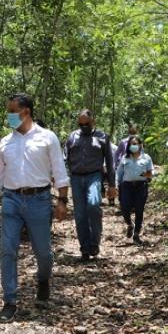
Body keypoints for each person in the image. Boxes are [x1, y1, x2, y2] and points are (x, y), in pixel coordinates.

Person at [0, 93, 70, 322]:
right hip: (11, 200)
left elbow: (60, 172)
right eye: (8, 112)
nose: (10, 116)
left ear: (26, 112)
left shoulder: (48, 138)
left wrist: (62, 200)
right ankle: (10, 300)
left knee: (42, 251)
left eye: (13, 111)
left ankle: (43, 279)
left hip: (39, 200)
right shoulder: (6, 142)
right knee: (7, 249)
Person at [64, 110, 116, 261]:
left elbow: (110, 162)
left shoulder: (102, 137)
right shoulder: (72, 137)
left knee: (93, 206)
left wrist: (112, 185)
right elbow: (64, 158)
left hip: (94, 175)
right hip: (76, 178)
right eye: (80, 124)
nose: (83, 127)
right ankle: (85, 249)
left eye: (86, 124)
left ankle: (95, 243)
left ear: (93, 121)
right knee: (80, 214)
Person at [116, 135, 154, 245]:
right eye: (131, 144)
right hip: (126, 186)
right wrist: (117, 186)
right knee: (124, 207)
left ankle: (136, 234)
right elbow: (119, 173)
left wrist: (146, 174)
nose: (133, 146)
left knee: (139, 210)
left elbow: (151, 173)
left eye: (135, 144)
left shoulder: (146, 158)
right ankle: (129, 224)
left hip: (141, 186)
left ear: (140, 145)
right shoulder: (125, 158)